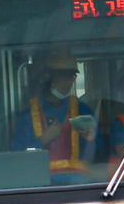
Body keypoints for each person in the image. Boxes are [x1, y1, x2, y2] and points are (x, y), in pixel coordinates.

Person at [12, 51, 97, 183]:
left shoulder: (83, 111)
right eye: (62, 76)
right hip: (42, 186)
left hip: (79, 187)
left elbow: (99, 156)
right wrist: (42, 141)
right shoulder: (28, 116)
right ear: (48, 76)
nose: (68, 81)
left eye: (71, 76)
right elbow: (17, 159)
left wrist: (91, 141)